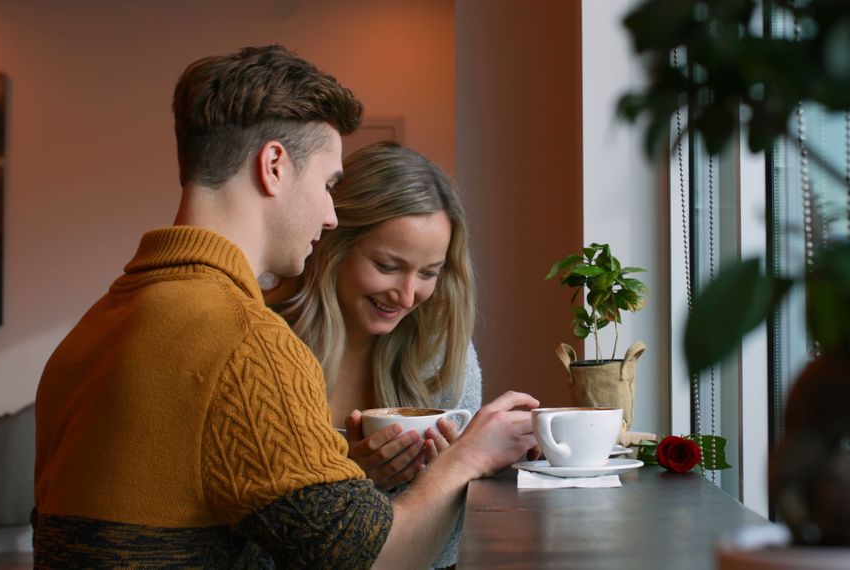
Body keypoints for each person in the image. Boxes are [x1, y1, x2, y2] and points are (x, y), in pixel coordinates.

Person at [33, 45, 538, 568]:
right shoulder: (250, 344)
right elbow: (372, 561)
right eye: (327, 184)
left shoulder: (88, 333)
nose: (330, 215)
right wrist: (467, 458)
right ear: (274, 166)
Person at [268, 141, 483, 568]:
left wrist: (453, 468)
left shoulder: (438, 350)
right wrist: (347, 476)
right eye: (386, 266)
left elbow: (451, 535)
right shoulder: (265, 340)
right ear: (333, 244)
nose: (406, 296)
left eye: (428, 273)